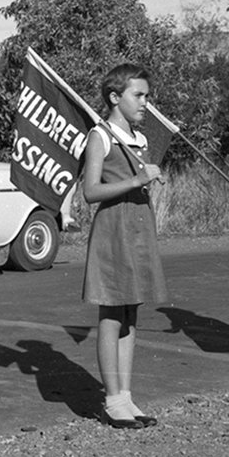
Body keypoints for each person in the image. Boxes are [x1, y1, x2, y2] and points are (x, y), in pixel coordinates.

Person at [81, 63, 169, 428]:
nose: (145, 103)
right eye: (139, 95)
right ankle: (112, 400)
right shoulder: (100, 136)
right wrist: (136, 180)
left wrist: (148, 181)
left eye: (147, 96)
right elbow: (90, 191)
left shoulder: (140, 138)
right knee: (112, 312)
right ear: (115, 97)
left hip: (138, 226)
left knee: (131, 311)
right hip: (113, 228)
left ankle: (126, 396)